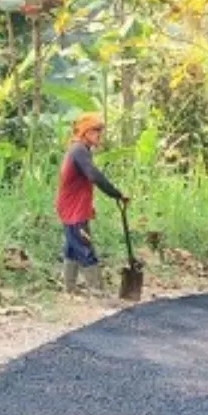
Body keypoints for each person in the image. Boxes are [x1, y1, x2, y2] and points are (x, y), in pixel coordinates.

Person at [54, 112, 129, 294]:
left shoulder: (79, 150)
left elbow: (82, 183)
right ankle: (98, 292)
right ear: (85, 132)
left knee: (72, 248)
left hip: (71, 207)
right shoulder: (79, 150)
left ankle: (69, 289)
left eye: (99, 132)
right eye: (95, 131)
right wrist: (116, 194)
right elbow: (94, 175)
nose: (98, 136)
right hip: (73, 210)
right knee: (84, 247)